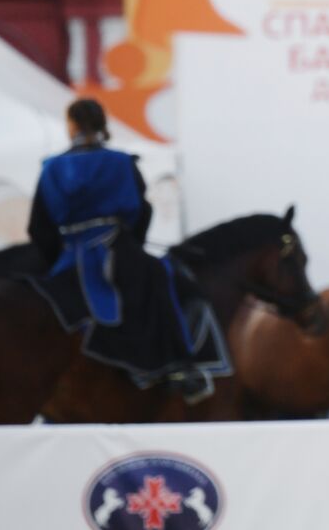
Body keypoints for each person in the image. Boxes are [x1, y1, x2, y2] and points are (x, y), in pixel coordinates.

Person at [27, 98, 210, 400]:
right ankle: (179, 367)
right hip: (116, 246)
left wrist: (57, 260)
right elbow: (142, 211)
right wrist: (131, 244)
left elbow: (38, 227)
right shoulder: (122, 162)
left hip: (70, 254)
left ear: (71, 125)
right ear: (102, 123)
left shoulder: (51, 168)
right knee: (159, 275)